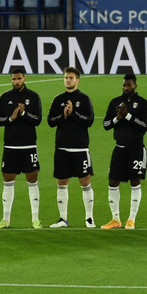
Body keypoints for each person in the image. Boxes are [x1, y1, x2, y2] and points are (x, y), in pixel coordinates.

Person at [0, 69, 43, 230]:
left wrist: (23, 114)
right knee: (7, 180)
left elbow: (38, 120)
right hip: (10, 146)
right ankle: (6, 219)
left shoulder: (33, 97)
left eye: (19, 78)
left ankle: (35, 219)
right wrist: (11, 118)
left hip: (28, 145)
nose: (16, 82)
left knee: (32, 180)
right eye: (14, 79)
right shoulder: (5, 97)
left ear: (24, 78)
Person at [47, 67, 96, 228]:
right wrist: (64, 115)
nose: (68, 80)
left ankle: (89, 218)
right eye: (66, 77)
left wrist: (73, 114)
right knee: (62, 181)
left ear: (77, 80)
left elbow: (89, 121)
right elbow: (51, 121)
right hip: (62, 148)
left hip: (80, 148)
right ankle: (63, 219)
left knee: (85, 181)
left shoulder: (84, 99)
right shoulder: (57, 99)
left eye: (71, 78)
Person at [101, 74, 147, 230]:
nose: (126, 88)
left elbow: (144, 126)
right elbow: (106, 124)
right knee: (113, 181)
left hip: (136, 148)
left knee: (135, 181)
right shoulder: (115, 102)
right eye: (124, 85)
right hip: (119, 148)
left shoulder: (142, 103)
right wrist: (117, 117)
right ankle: (115, 219)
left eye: (129, 85)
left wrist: (127, 115)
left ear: (135, 85)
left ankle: (131, 219)